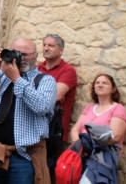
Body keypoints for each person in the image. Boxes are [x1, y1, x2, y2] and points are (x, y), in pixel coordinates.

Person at [0, 37, 58, 183]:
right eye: (16, 53)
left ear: (35, 56)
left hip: (24, 157)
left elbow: (42, 106)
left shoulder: (45, 81)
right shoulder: (0, 75)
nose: (20, 58)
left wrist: (16, 79)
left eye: (25, 55)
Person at [38, 33, 77, 173]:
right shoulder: (37, 69)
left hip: (53, 132)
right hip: (33, 129)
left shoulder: (68, 71)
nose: (46, 48)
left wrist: (32, 92)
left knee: (47, 172)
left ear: (61, 50)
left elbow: (53, 97)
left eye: (51, 45)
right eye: (44, 45)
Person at [69, 73, 126, 146]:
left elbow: (115, 136)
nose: (100, 85)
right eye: (97, 83)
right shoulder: (89, 107)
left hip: (102, 153)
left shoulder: (118, 108)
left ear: (113, 89)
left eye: (105, 83)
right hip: (81, 150)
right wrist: (78, 145)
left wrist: (88, 146)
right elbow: (75, 129)